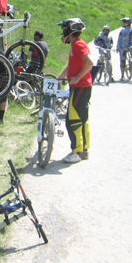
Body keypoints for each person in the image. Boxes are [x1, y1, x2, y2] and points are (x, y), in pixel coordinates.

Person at [57, 18, 94, 163]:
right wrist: (59, 78)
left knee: (73, 120)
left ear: (69, 30)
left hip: (80, 87)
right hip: (80, 87)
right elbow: (71, 66)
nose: (63, 33)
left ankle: (77, 151)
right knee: (82, 119)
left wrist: (77, 78)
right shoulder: (75, 45)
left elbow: (90, 62)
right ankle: (83, 150)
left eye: (64, 30)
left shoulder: (78, 44)